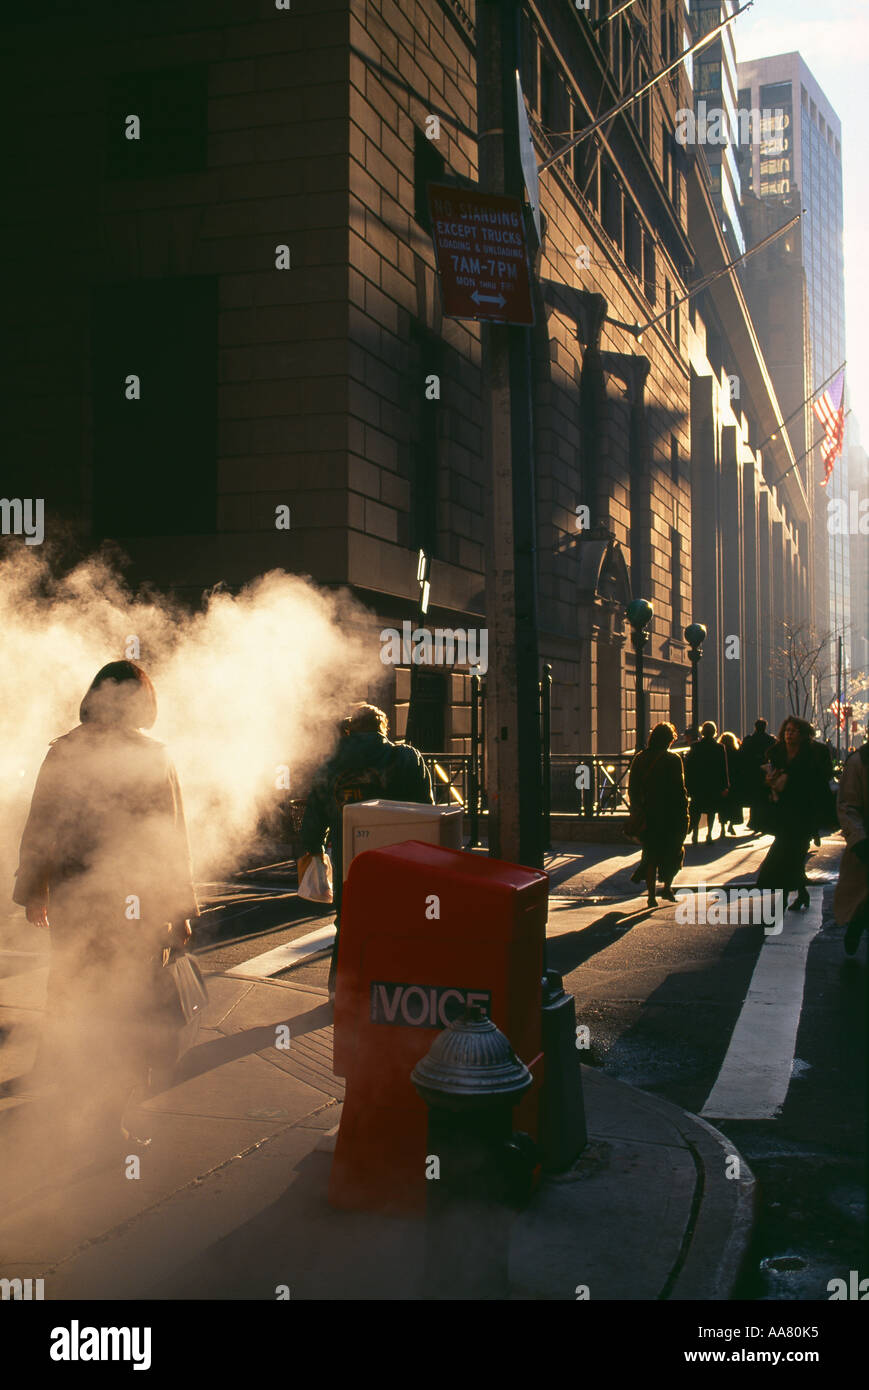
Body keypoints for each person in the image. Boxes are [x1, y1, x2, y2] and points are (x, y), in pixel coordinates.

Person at [13, 661, 198, 1157]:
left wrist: (36, 891)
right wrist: (179, 910)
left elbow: (41, 825)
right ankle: (105, 1122)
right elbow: (171, 840)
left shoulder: (65, 750)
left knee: (75, 994)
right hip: (133, 904)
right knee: (126, 1004)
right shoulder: (153, 757)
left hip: (76, 898)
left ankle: (66, 1111)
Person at [299, 703, 434, 997]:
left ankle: (341, 991)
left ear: (351, 729)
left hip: (352, 861)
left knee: (348, 923)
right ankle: (395, 992)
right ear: (382, 727)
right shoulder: (406, 758)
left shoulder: (329, 768)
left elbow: (312, 824)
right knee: (400, 923)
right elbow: (429, 811)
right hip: (401, 859)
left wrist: (316, 851)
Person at [755, 716, 831, 911]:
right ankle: (800, 894)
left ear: (804, 734)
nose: (789, 734)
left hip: (804, 813)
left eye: (794, 731)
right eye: (787, 730)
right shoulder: (776, 752)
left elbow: (821, 780)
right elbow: (762, 779)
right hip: (782, 812)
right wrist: (769, 781)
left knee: (793, 857)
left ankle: (785, 900)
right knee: (787, 857)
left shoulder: (815, 753)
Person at [627, 722, 689, 908]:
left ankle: (651, 896)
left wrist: (636, 808)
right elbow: (680, 789)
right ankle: (667, 887)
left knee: (650, 854)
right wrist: (685, 810)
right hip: (670, 813)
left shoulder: (640, 758)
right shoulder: (673, 759)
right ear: (669, 740)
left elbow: (633, 787)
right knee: (674, 850)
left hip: (649, 812)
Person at [834, 735, 869, 955]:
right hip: (866, 841)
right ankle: (857, 924)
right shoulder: (859, 762)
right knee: (863, 897)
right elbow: (847, 805)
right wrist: (858, 839)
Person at [684, 721, 728, 843]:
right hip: (713, 783)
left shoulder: (695, 746)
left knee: (697, 809)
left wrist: (688, 784)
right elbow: (723, 768)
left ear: (702, 732)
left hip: (698, 783)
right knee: (711, 810)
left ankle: (695, 835)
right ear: (714, 732)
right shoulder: (719, 748)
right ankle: (709, 834)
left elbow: (689, 766)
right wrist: (725, 786)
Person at [739, 717, 777, 834]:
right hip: (766, 772)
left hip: (752, 773)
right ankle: (763, 822)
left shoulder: (748, 740)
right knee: (764, 798)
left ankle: (754, 821)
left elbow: (742, 756)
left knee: (754, 799)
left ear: (755, 727)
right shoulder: (770, 740)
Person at [718, 731, 745, 836]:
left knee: (723, 806)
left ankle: (722, 828)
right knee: (734, 805)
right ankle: (731, 825)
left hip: (723, 783)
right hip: (734, 783)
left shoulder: (720, 752)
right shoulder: (736, 752)